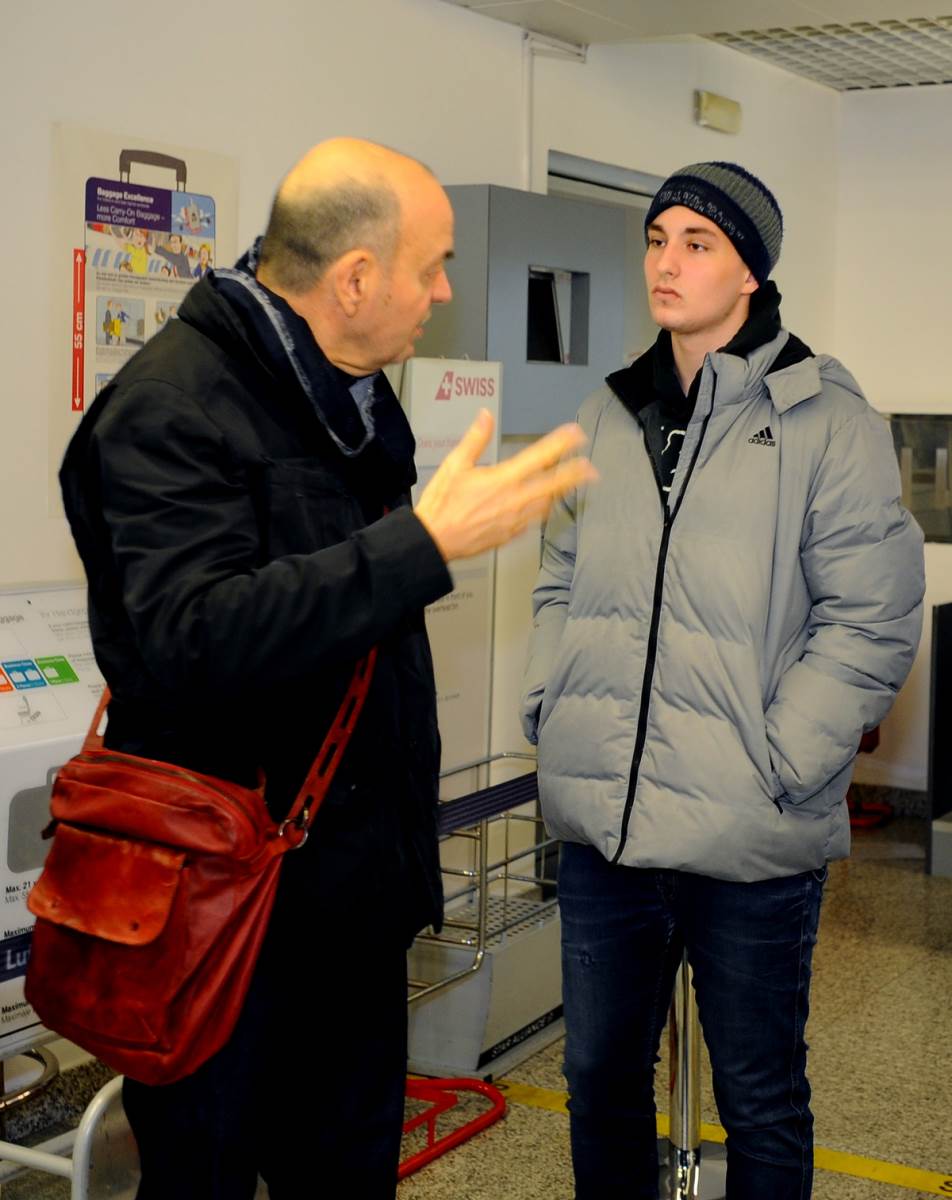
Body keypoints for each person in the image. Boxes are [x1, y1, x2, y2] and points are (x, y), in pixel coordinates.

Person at [59, 136, 594, 1200]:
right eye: (431, 266)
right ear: (354, 278)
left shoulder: (344, 397)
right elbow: (190, 640)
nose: (444, 293)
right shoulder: (172, 406)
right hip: (224, 922)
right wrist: (426, 546)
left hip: (343, 909)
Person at [520, 160, 924, 1200]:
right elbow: (558, 576)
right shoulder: (611, 411)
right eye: (657, 239)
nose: (666, 261)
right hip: (609, 824)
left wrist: (783, 757)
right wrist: (550, 702)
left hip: (750, 831)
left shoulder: (822, 417)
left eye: (697, 242)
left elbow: (873, 614)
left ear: (750, 271)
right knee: (598, 1077)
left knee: (758, 1095)